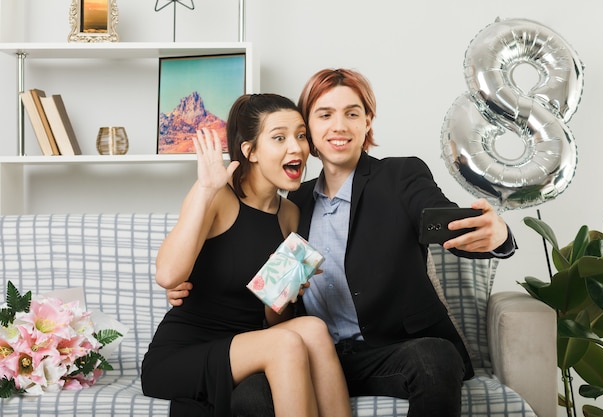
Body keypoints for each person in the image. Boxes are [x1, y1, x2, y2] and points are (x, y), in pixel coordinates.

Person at [168, 69, 516, 417]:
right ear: (309, 132)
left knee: (435, 357)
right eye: (324, 115)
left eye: (352, 113)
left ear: (367, 123)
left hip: (388, 352)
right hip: (313, 354)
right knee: (249, 395)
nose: (339, 126)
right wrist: (196, 283)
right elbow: (268, 296)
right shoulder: (292, 204)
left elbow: (445, 220)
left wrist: (497, 235)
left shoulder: (399, 176)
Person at [142, 93, 352, 417]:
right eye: (279, 137)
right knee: (285, 344)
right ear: (250, 150)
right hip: (184, 353)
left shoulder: (290, 215)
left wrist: (286, 291)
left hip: (250, 344)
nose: (296, 147)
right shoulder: (217, 197)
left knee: (312, 328)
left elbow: (273, 320)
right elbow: (168, 276)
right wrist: (205, 189)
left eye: (300, 136)